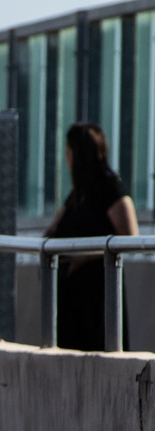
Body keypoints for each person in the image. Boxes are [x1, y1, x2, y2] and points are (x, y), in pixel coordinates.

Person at [45, 122, 140, 351]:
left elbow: (131, 239)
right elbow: (53, 230)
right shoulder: (78, 194)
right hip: (72, 304)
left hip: (98, 303)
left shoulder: (111, 191)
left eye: (69, 150)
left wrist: (86, 257)